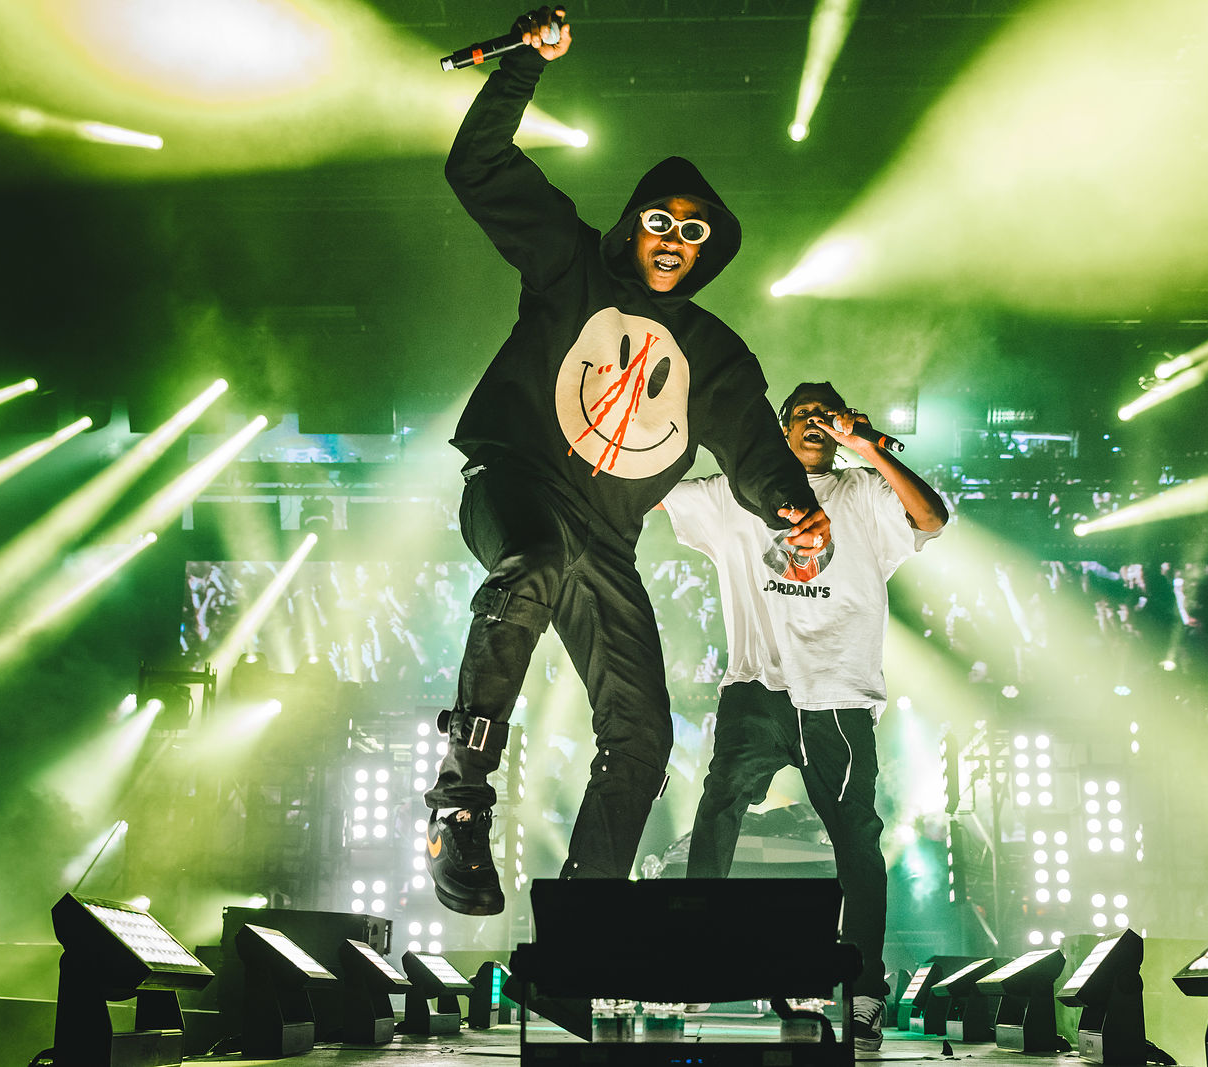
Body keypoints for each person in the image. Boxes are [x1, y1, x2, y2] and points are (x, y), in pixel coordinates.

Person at [425, 7, 831, 917]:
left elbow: (758, 447)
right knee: (530, 565)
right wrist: (523, 67)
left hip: (604, 541)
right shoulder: (570, 265)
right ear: (632, 223)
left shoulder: (717, 355)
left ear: (709, 252)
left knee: (643, 735)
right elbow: (477, 167)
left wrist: (793, 508)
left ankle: (589, 916)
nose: (673, 240)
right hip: (515, 483)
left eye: (694, 234)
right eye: (659, 219)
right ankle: (460, 797)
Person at [662, 381, 949, 1050]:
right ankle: (694, 961)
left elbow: (930, 518)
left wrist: (871, 449)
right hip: (757, 687)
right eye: (802, 415)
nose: (816, 422)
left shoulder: (863, 491)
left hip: (839, 696)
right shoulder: (739, 490)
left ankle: (864, 989)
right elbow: (655, 486)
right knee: (716, 815)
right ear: (782, 427)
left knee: (857, 840)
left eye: (828, 414)